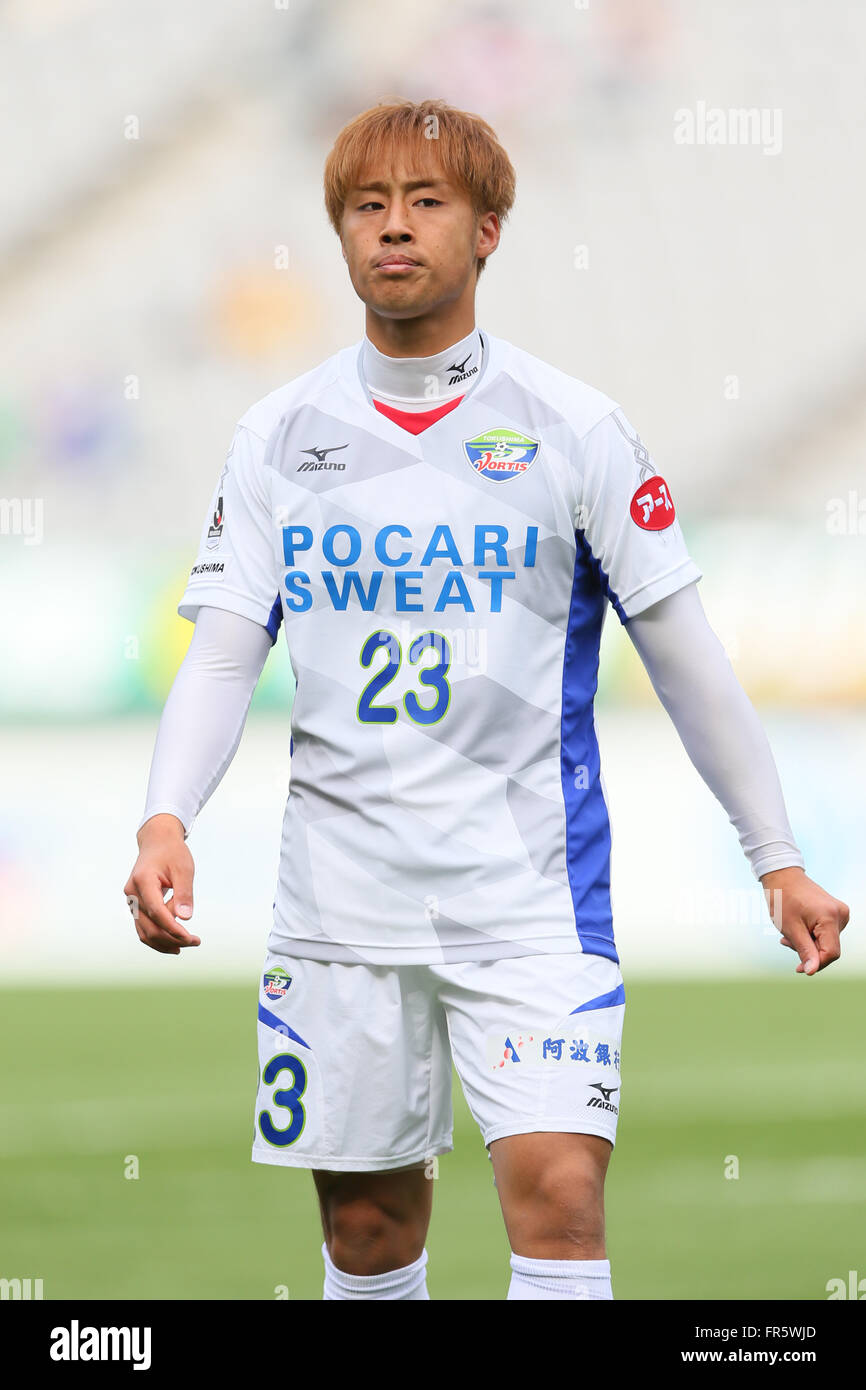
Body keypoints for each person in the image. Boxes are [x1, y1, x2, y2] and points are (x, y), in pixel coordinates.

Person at [124, 98, 848, 1301]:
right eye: (367, 207)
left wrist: (773, 855)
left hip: (529, 899)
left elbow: (683, 653)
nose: (392, 230)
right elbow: (221, 652)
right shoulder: (276, 434)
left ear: (488, 230)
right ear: (341, 234)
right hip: (338, 903)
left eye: (425, 203)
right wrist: (165, 819)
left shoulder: (575, 428)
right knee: (365, 1232)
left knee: (560, 1200)